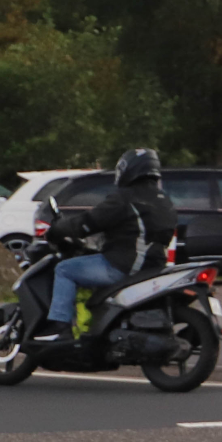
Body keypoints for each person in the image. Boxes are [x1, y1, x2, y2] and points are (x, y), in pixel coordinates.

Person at [29, 148, 178, 346]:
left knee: (65, 269)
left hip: (123, 265)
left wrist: (59, 229)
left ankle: (60, 327)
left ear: (128, 169)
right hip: (153, 267)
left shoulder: (125, 197)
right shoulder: (164, 200)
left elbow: (90, 221)